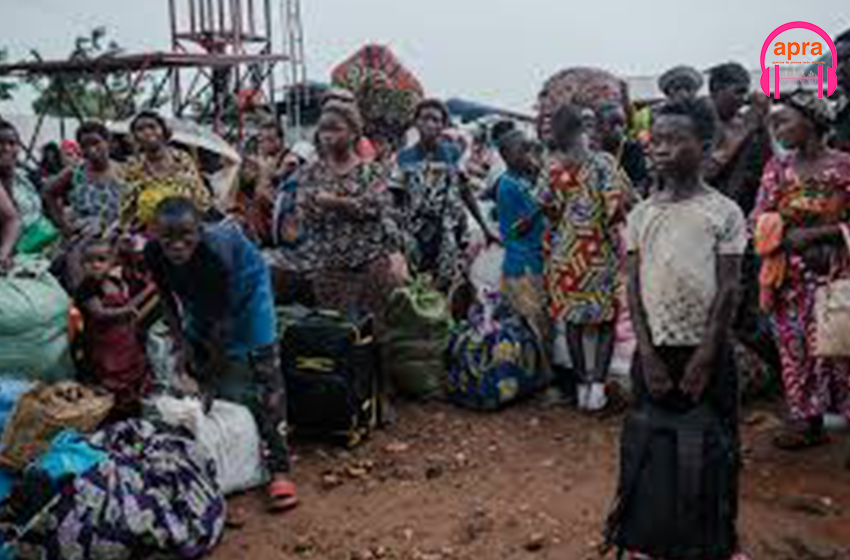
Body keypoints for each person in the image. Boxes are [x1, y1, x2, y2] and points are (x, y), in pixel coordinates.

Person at [608, 99, 747, 560]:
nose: (659, 149)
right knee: (652, 443)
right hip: (657, 351)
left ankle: (717, 539)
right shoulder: (642, 214)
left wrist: (706, 356)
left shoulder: (723, 212)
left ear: (705, 147)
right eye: (656, 140)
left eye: (674, 140)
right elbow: (633, 286)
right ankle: (653, 536)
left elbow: (728, 290)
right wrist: (645, 354)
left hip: (707, 350)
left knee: (718, 444)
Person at [145, 196, 297, 512]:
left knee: (265, 374)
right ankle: (214, 455)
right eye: (167, 238)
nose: (176, 245)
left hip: (246, 291)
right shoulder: (153, 253)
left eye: (185, 236)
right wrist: (182, 344)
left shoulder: (217, 250)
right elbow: (166, 300)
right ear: (155, 235)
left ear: (200, 230)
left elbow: (223, 324)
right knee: (197, 363)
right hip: (202, 297)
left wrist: (211, 366)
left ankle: (279, 468)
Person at [273, 101, 405, 417]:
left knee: (377, 331)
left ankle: (381, 395)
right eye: (324, 128)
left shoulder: (372, 170)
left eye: (336, 128)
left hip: (370, 262)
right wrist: (345, 205)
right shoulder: (310, 172)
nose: (328, 135)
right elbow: (304, 211)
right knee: (338, 333)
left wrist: (335, 202)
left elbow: (377, 208)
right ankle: (345, 400)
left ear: (354, 132)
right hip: (329, 266)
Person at [753, 90, 850, 450]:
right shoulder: (778, 169)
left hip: (837, 275)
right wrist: (777, 231)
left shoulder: (843, 166)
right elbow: (758, 216)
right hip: (790, 279)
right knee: (796, 352)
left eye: (783, 121)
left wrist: (822, 234)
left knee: (842, 350)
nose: (776, 129)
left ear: (811, 122)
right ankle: (808, 423)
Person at [541, 104, 634, 411]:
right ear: (584, 130)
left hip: (565, 256)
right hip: (596, 254)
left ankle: (581, 386)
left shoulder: (553, 167)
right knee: (605, 321)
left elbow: (547, 209)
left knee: (573, 323)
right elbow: (618, 208)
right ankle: (597, 387)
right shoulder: (604, 162)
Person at [395, 99, 497, 289]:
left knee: (443, 286)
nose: (430, 124)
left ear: (443, 125)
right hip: (412, 234)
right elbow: (395, 197)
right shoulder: (403, 157)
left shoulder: (451, 154)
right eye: (425, 118)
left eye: (436, 120)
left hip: (447, 233)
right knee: (412, 285)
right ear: (416, 122)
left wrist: (485, 228)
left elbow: (465, 191)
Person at [75, 236, 154, 420]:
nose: (95, 265)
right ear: (81, 264)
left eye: (101, 260)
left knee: (131, 371)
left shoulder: (115, 282)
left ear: (112, 262)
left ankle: (131, 407)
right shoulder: (88, 288)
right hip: (103, 344)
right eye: (89, 261)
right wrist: (125, 312)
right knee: (110, 376)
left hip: (124, 341)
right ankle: (113, 413)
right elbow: (98, 313)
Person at [497, 130, 550, 375]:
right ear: (506, 156)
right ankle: (541, 376)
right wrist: (541, 205)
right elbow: (517, 229)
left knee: (539, 321)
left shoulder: (525, 180)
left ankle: (537, 374)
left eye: (529, 150)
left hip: (534, 257)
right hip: (521, 263)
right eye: (522, 151)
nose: (529, 155)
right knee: (533, 323)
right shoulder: (507, 185)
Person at [120, 111, 211, 231]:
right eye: (140, 129)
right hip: (149, 231)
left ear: (163, 130)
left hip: (187, 227)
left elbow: (200, 198)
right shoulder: (133, 167)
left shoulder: (182, 160)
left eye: (152, 127)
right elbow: (128, 206)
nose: (147, 132)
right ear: (135, 137)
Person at [705, 62, 771, 216]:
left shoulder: (743, 121)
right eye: (738, 92)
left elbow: (766, 163)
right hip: (707, 209)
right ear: (716, 90)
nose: (743, 100)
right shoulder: (699, 122)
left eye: (745, 93)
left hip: (741, 207)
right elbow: (706, 172)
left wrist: (763, 123)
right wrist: (747, 127)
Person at [44, 121, 129, 238]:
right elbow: (48, 192)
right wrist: (63, 225)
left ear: (108, 142)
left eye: (96, 142)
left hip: (116, 237)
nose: (91, 149)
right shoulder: (75, 172)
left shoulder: (124, 171)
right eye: (84, 145)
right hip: (82, 237)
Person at [0, 120, 58, 271]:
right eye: (0, 143)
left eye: (12, 143)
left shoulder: (26, 177)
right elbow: (11, 219)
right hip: (15, 253)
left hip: (44, 244)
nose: (6, 148)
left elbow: (47, 199)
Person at [597, 101, 651, 196]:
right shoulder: (595, 152)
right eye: (613, 125)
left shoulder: (633, 148)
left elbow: (641, 181)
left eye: (622, 124)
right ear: (599, 127)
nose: (619, 130)